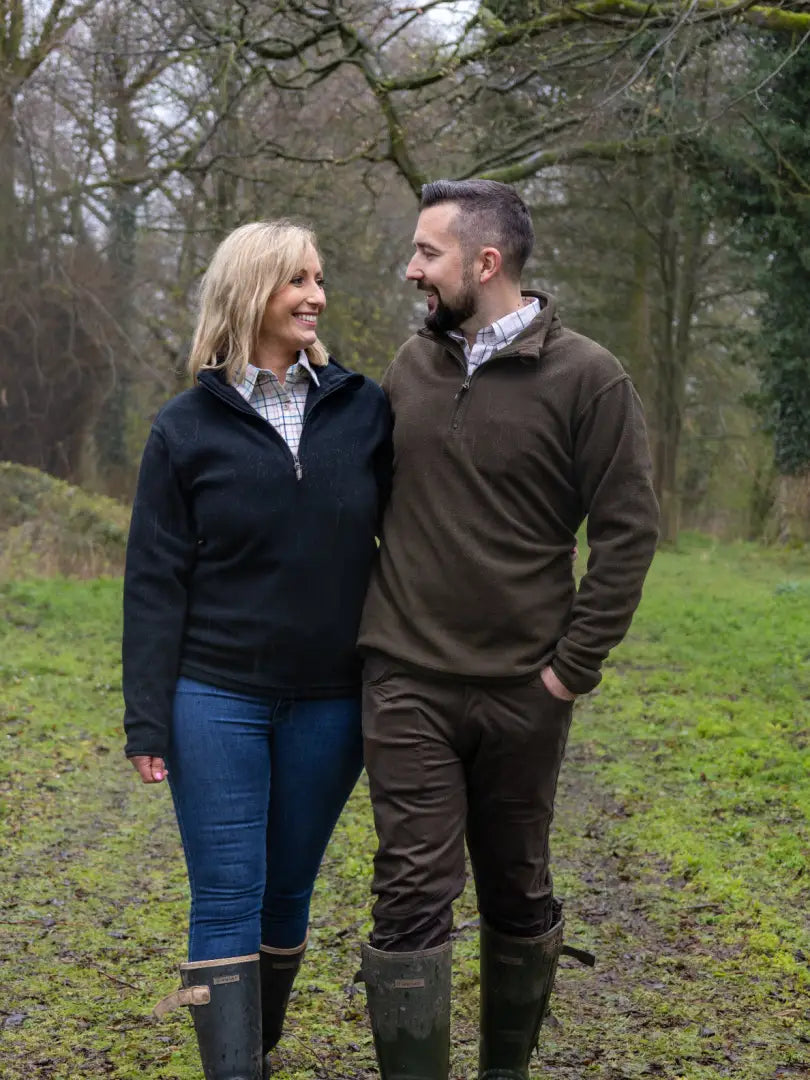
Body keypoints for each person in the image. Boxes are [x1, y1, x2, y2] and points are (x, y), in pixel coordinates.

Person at [357, 179, 659, 1080]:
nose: (411, 269)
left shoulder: (589, 378)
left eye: (427, 253)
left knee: (518, 887)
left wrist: (569, 672)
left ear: (485, 263)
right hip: (406, 678)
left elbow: (629, 531)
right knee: (409, 891)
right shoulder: (408, 371)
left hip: (526, 692)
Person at [122, 220, 391, 1080]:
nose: (316, 295)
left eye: (319, 278)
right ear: (251, 294)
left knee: (286, 891)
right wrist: (146, 719)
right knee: (227, 891)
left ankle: (256, 1045)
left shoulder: (366, 411)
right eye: (295, 282)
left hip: (330, 699)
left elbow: (418, 540)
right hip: (214, 696)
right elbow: (154, 580)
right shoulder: (183, 429)